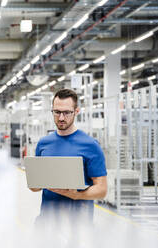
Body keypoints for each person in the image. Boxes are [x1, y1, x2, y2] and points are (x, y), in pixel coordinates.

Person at [30, 89, 107, 226]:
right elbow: (35, 187)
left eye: (66, 113)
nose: (61, 118)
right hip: (47, 221)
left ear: (76, 111)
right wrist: (37, 182)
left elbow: (101, 189)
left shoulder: (90, 145)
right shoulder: (43, 144)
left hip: (77, 224)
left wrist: (78, 195)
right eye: (57, 112)